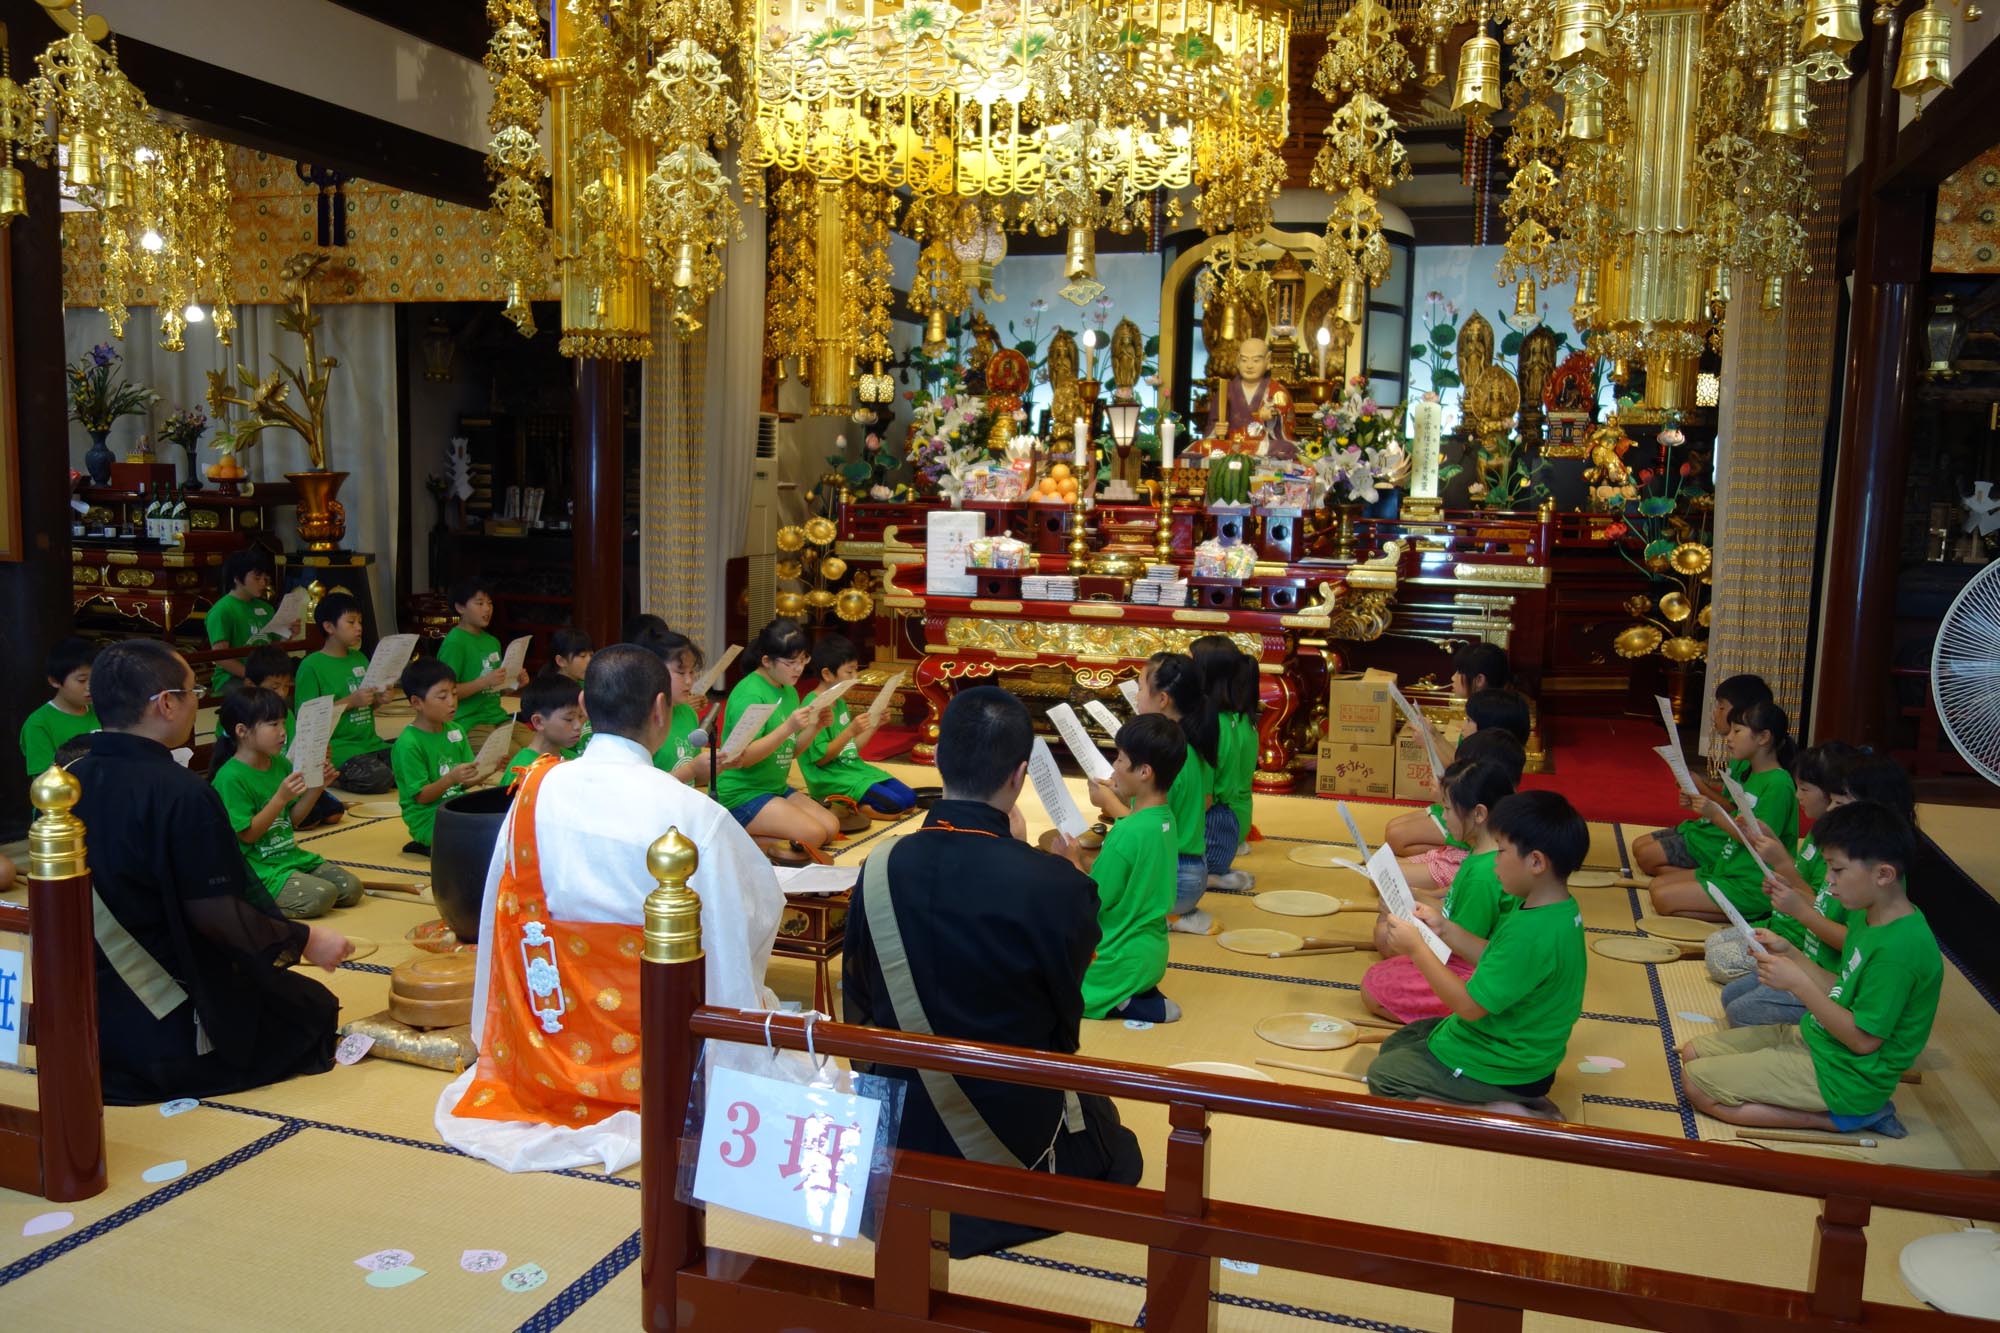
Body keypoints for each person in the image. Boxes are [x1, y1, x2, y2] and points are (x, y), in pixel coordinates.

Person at [439, 644, 785, 1174]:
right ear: (662, 710)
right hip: (657, 1033)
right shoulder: (690, 812)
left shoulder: (535, 790)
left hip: (548, 1036)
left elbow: (498, 911)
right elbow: (754, 911)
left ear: (584, 702)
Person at [844, 687, 1143, 1258]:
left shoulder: (878, 864)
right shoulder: (1058, 884)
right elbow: (1063, 1032)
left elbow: (860, 996)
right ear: (1020, 774)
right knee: (1108, 1137)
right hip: (1014, 1119)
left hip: (899, 1123)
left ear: (937, 759)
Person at [70, 639, 351, 1105]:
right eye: (191, 690)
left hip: (84, 1011)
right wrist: (305, 940)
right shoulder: (180, 792)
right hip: (163, 1004)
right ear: (165, 704)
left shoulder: (65, 779)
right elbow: (215, 914)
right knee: (310, 1010)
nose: (196, 699)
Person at [1679, 801, 1940, 1139]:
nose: (1828, 882)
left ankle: (1849, 1116)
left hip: (1847, 1075)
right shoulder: (1868, 914)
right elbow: (1844, 988)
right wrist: (1791, 955)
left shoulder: (1899, 951)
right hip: (1816, 1039)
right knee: (1691, 1052)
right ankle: (1832, 1104)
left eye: (1838, 870)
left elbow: (1863, 1041)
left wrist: (1799, 984)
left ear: (1884, 874)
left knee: (1696, 1084)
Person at [1369, 790, 1589, 1119]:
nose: (1495, 860)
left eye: (1501, 851)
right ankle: (1520, 1100)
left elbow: (1469, 1007)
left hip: (1504, 1065)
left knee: (1384, 1077)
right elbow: (1497, 956)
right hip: (1523, 1055)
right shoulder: (1555, 910)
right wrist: (1444, 928)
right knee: (1403, 1042)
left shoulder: (1530, 932)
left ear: (1536, 861)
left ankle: (1495, 1110)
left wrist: (1417, 949)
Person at [1361, 758, 1517, 1024]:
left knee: (1374, 988)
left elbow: (1461, 943)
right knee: (1384, 956)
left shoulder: (1484, 874)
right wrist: (1413, 898)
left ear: (1478, 814)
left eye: (1447, 809)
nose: (1442, 817)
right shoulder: (1486, 850)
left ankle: (1455, 1016)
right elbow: (1452, 900)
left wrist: (1415, 932)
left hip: (1472, 972)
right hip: (1471, 958)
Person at [1722, 743, 1862, 1027]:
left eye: (1840, 804)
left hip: (1826, 971)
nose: (1832, 810)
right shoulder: (1832, 839)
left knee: (1739, 1007)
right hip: (1804, 950)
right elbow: (1815, 899)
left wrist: (1798, 906)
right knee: (1730, 997)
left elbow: (1851, 941)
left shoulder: (1865, 869)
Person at [1088, 652, 1220, 934]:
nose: (1136, 698)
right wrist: (1124, 789)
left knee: (1093, 868)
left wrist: (1109, 800)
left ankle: (1172, 917)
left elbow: (1143, 830)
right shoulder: (1185, 745)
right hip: (1191, 869)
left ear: (1162, 700)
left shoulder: (1173, 758)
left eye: (1140, 689)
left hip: (1177, 878)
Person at [1065, 713, 1185, 1024]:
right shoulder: (1165, 819)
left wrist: (1072, 861)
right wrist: (1113, 795)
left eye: (1120, 759)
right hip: (1152, 952)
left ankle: (1124, 1001)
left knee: (1049, 984)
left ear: (1144, 771)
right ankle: (1139, 993)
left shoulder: (1126, 834)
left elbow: (1094, 898)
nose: (1114, 766)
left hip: (1117, 956)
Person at [210, 686, 362, 920]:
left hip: (289, 857)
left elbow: (293, 821)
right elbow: (247, 835)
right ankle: (252, 901)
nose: (283, 732)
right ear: (242, 731)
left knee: (351, 889)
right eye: (273, 725)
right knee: (322, 896)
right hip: (259, 869)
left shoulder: (279, 764)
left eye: (283, 723)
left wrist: (317, 787)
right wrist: (280, 798)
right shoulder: (230, 777)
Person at [1648, 700, 1799, 922]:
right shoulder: (1752, 773)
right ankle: (1734, 912)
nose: (1729, 737)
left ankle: (1752, 913)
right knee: (1656, 887)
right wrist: (1701, 804)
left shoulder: (1778, 784)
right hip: (1729, 866)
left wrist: (1714, 813)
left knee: (1662, 899)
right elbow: (1734, 814)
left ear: (1763, 738)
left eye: (1737, 731)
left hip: (1753, 881)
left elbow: (1760, 842)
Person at [714, 618, 838, 859]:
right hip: (741, 792)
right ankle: (726, 836)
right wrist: (789, 727)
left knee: (830, 828)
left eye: (803, 660)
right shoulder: (750, 693)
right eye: (790, 662)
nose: (798, 669)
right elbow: (742, 758)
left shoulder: (788, 689)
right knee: (812, 836)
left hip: (774, 787)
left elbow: (789, 753)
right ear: (767, 661)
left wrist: (815, 726)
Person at [1384, 656, 1522, 862]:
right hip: (1457, 806)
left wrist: (1442, 795)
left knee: (1395, 838)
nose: (1453, 677)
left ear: (1480, 679)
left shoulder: (1490, 757)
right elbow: (1459, 762)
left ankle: (1453, 854)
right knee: (1392, 830)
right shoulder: (1483, 739)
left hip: (1464, 816)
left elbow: (1468, 789)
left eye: (1459, 672)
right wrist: (1434, 736)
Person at [1632, 673, 1773, 876]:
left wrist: (1702, 788)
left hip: (1721, 837)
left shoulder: (1768, 773)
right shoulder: (1741, 757)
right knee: (1639, 846)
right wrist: (1698, 793)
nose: (1714, 714)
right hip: (1709, 828)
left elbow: (1736, 812)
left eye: (1721, 707)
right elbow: (1730, 801)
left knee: (1647, 858)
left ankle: (1708, 874)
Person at [1392, 727, 1527, 895]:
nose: (1463, 726)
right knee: (1383, 867)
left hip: (1455, 859)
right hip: (1452, 854)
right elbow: (1453, 894)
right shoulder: (1482, 841)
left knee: (1385, 874)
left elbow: (1459, 918)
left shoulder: (1484, 869)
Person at [799, 634, 914, 819]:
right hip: (830, 777)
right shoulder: (814, 705)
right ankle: (841, 806)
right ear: (827, 674)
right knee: (894, 808)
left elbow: (852, 748)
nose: (855, 677)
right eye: (849, 671)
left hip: (853, 769)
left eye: (855, 671)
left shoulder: (840, 702)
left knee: (909, 800)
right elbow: (821, 760)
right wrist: (851, 730)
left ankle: (851, 803)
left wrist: (875, 724)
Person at [293, 591, 393, 794]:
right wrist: (350, 701)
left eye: (360, 622)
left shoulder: (360, 658)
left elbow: (367, 704)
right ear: (329, 627)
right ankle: (330, 779)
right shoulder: (312, 666)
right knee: (379, 778)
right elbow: (307, 719)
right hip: (339, 749)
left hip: (371, 743)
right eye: (351, 622)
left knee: (413, 758)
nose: (359, 628)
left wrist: (379, 700)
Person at [391, 657, 482, 856]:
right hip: (428, 816)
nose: (452, 702)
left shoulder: (455, 729)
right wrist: (451, 778)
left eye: (455, 694)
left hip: (456, 805)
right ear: (416, 702)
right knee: (478, 842)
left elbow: (463, 784)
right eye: (442, 697)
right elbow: (422, 797)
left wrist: (487, 768)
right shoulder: (408, 743)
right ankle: (427, 842)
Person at [1191, 634, 1258, 877]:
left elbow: (1205, 799)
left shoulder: (1212, 725)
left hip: (1216, 827)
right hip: (1238, 819)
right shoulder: (1241, 717)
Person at [438, 577, 524, 756]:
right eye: (479, 603)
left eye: (489, 603)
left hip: (498, 717)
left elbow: (496, 690)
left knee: (539, 748)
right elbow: (444, 692)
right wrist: (484, 682)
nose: (487, 609)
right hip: (470, 723)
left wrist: (514, 683)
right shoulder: (455, 643)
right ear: (460, 607)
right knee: (516, 758)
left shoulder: (491, 641)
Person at [634, 627, 721, 786]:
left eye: (692, 672)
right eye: (681, 673)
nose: (689, 681)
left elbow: (694, 780)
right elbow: (643, 788)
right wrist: (692, 769)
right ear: (654, 671)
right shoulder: (639, 721)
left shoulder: (688, 713)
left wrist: (716, 767)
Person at [204, 547, 279, 695]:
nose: (263, 583)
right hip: (231, 678)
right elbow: (221, 657)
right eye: (257, 578)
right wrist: (252, 677)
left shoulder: (267, 608)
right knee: (258, 700)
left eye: (265, 578)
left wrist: (289, 633)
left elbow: (275, 645)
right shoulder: (222, 610)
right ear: (237, 578)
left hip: (264, 676)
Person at [19, 636, 98, 775]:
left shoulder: (103, 711)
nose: (90, 687)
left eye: (96, 678)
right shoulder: (39, 724)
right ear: (55, 681)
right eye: (82, 680)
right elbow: (45, 782)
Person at [504, 674, 585, 788]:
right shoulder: (523, 771)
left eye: (581, 716)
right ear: (538, 722)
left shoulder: (575, 760)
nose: (578, 725)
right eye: (569, 719)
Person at [547, 626, 594, 755]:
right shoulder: (551, 691)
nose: (589, 661)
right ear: (561, 661)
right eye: (582, 656)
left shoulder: (588, 686)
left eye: (591, 654)